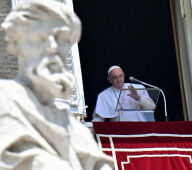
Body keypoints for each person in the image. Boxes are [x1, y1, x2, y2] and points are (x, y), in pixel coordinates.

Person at [0, 0, 113, 169]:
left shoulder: (67, 121)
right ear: (15, 43)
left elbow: (97, 161)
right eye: (40, 37)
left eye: (61, 39)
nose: (53, 47)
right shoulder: (4, 98)